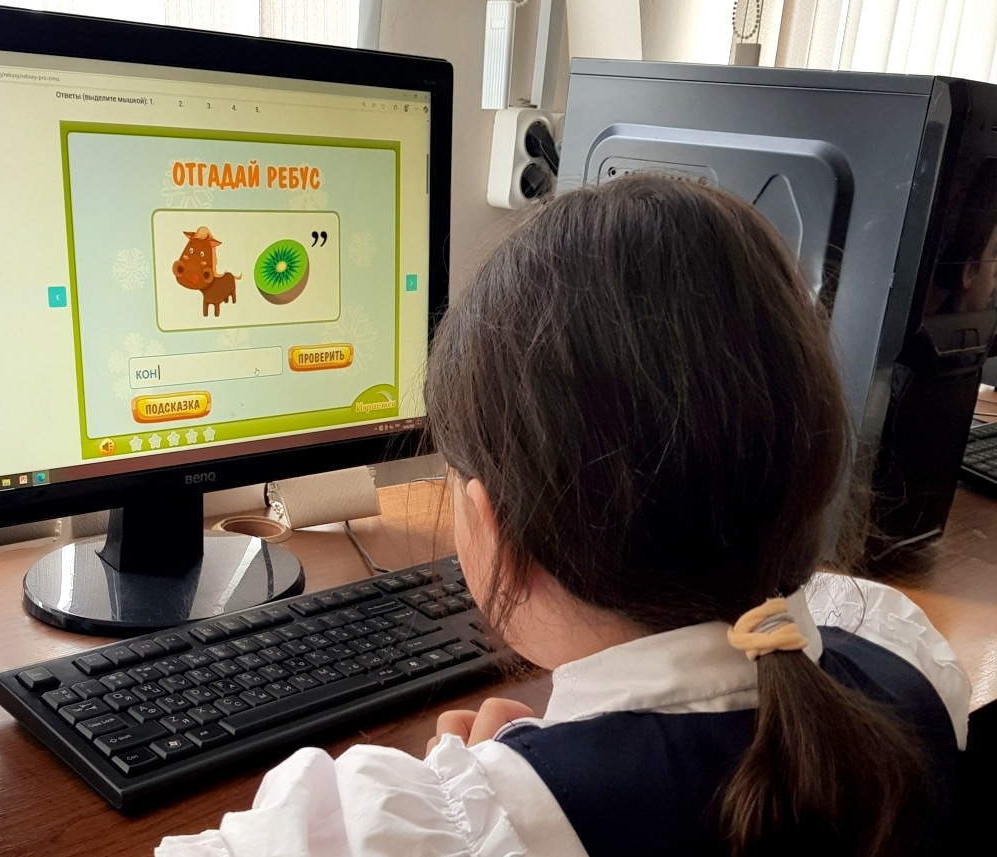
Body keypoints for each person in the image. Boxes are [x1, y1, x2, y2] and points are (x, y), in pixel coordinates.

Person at [157, 176, 969, 857]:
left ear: (492, 524)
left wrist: (485, 798)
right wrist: (512, 774)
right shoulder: (906, 655)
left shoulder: (427, 833)